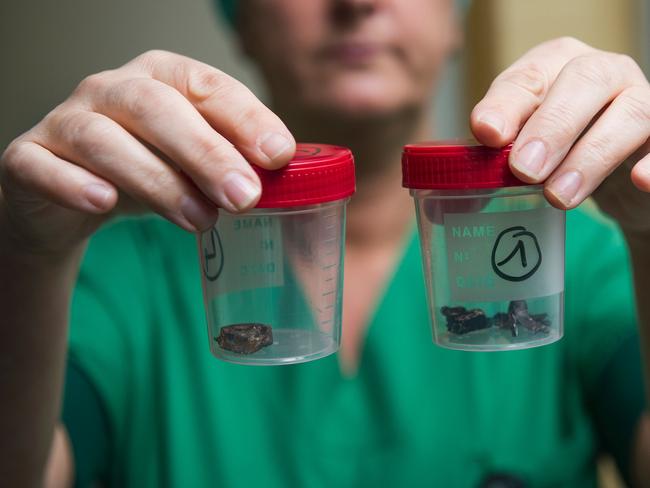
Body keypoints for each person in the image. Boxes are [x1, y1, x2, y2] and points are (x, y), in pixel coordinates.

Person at [1, 0, 649, 486]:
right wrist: (27, 256)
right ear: (241, 20)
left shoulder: (586, 265)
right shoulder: (121, 272)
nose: (356, 2)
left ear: (456, 19)